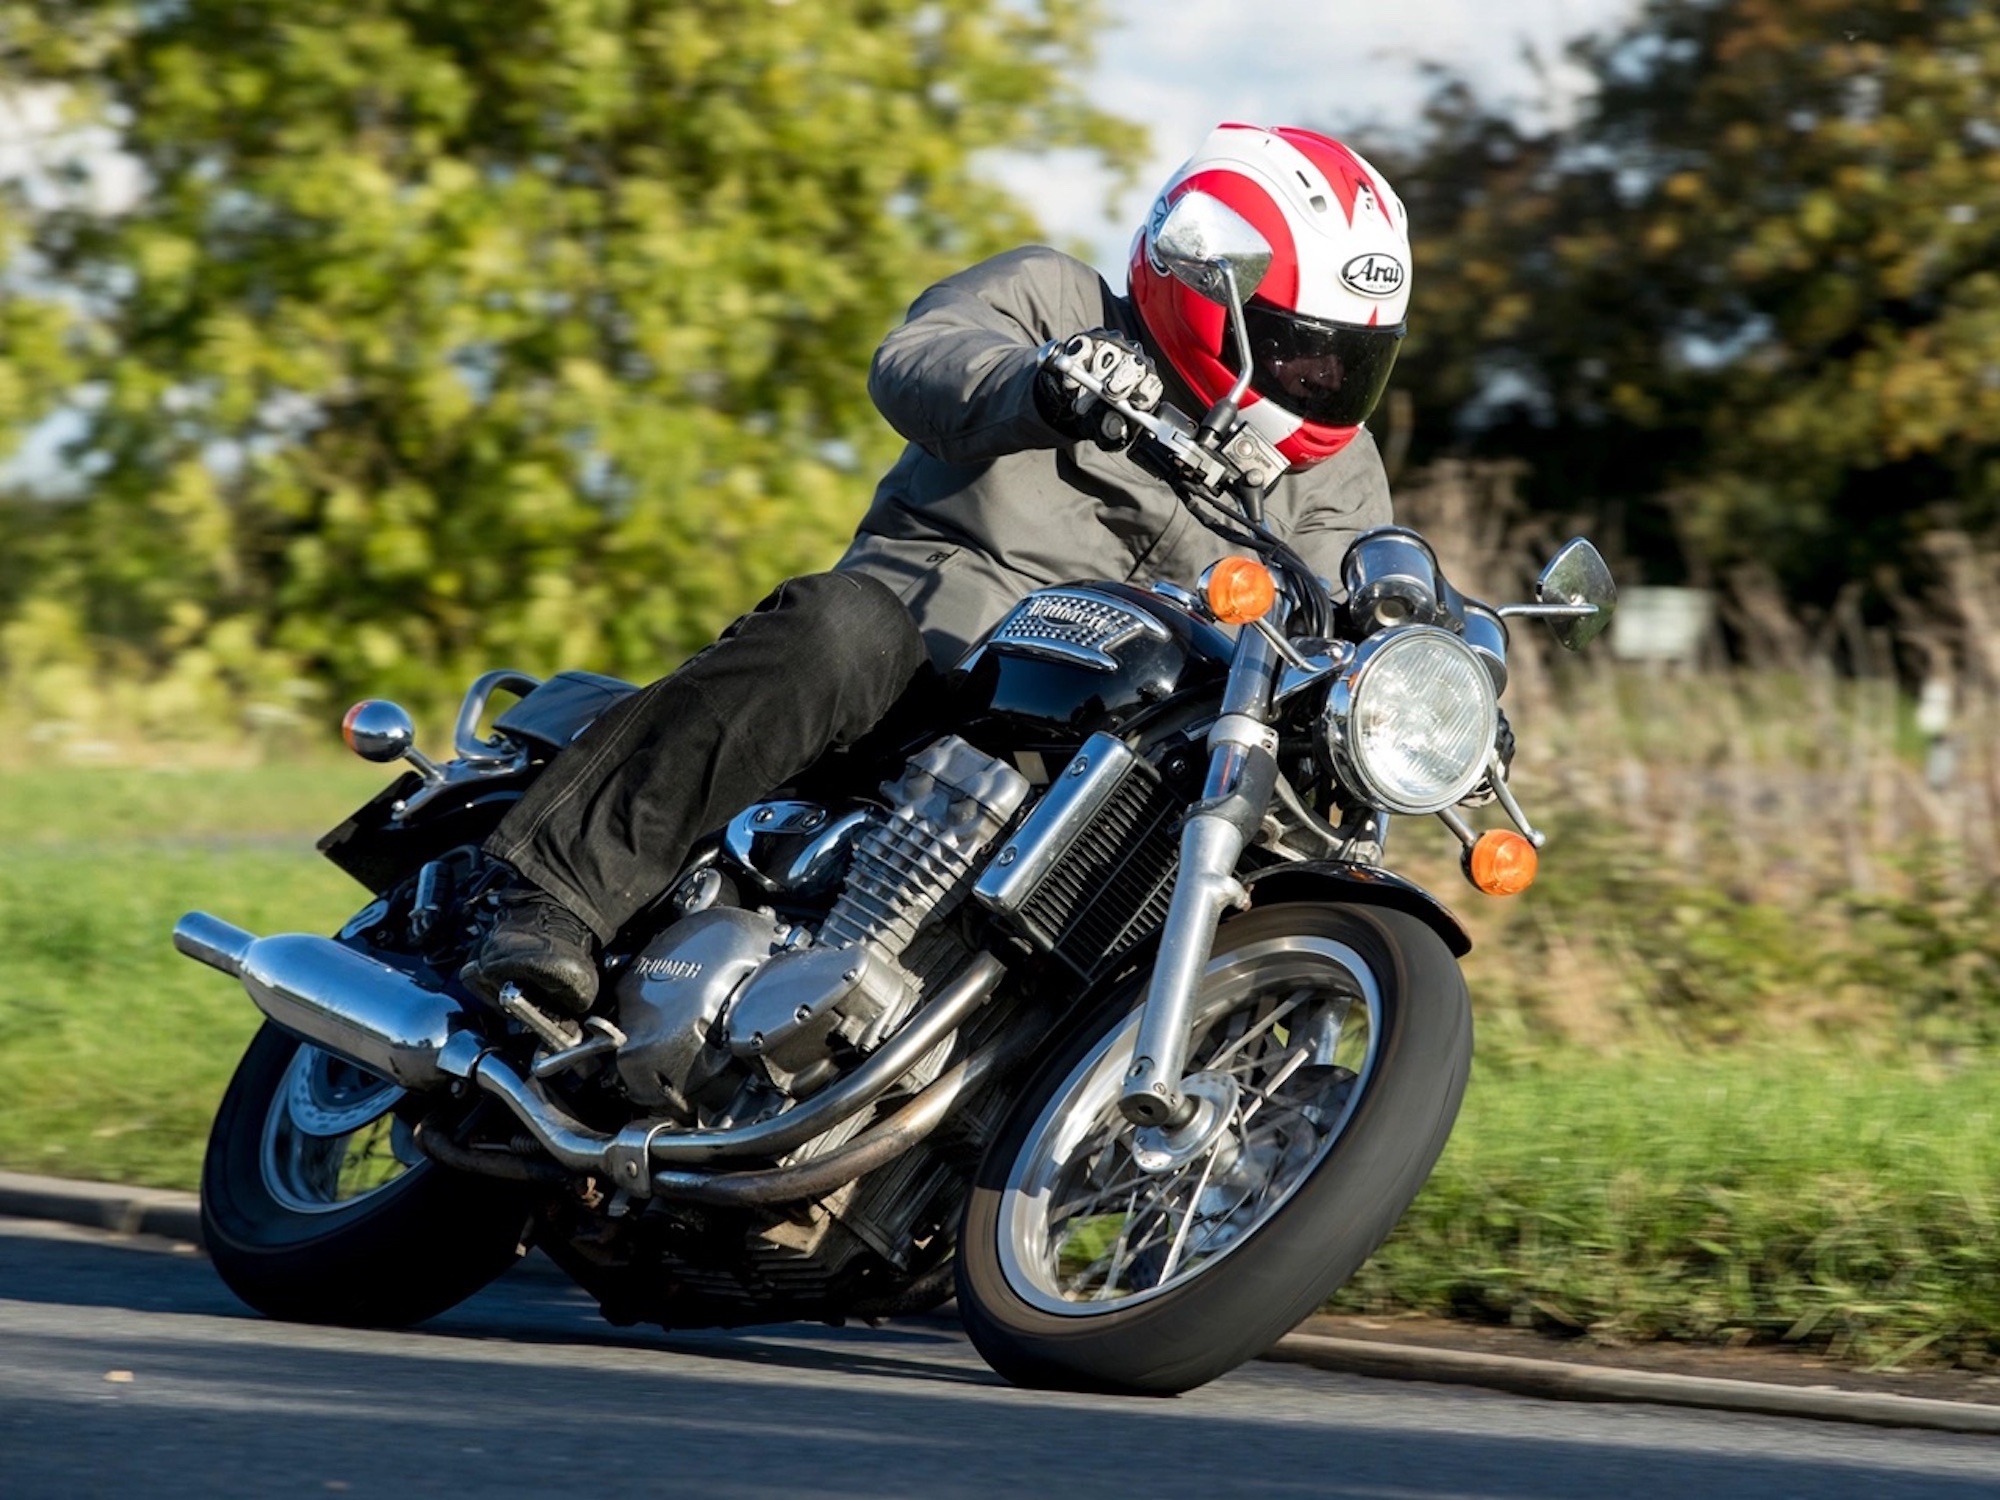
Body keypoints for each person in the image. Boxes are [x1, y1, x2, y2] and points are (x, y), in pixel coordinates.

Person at [462, 123, 1413, 1021]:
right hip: (925, 664)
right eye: (1299, 346)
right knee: (843, 626)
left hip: (1110, 749)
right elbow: (918, 360)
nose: (1322, 382)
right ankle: (551, 900)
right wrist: (1042, 382)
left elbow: (1349, 600)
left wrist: (1423, 648)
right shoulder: (1056, 299)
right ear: (1208, 291)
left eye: (1350, 362)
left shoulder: (1337, 468)